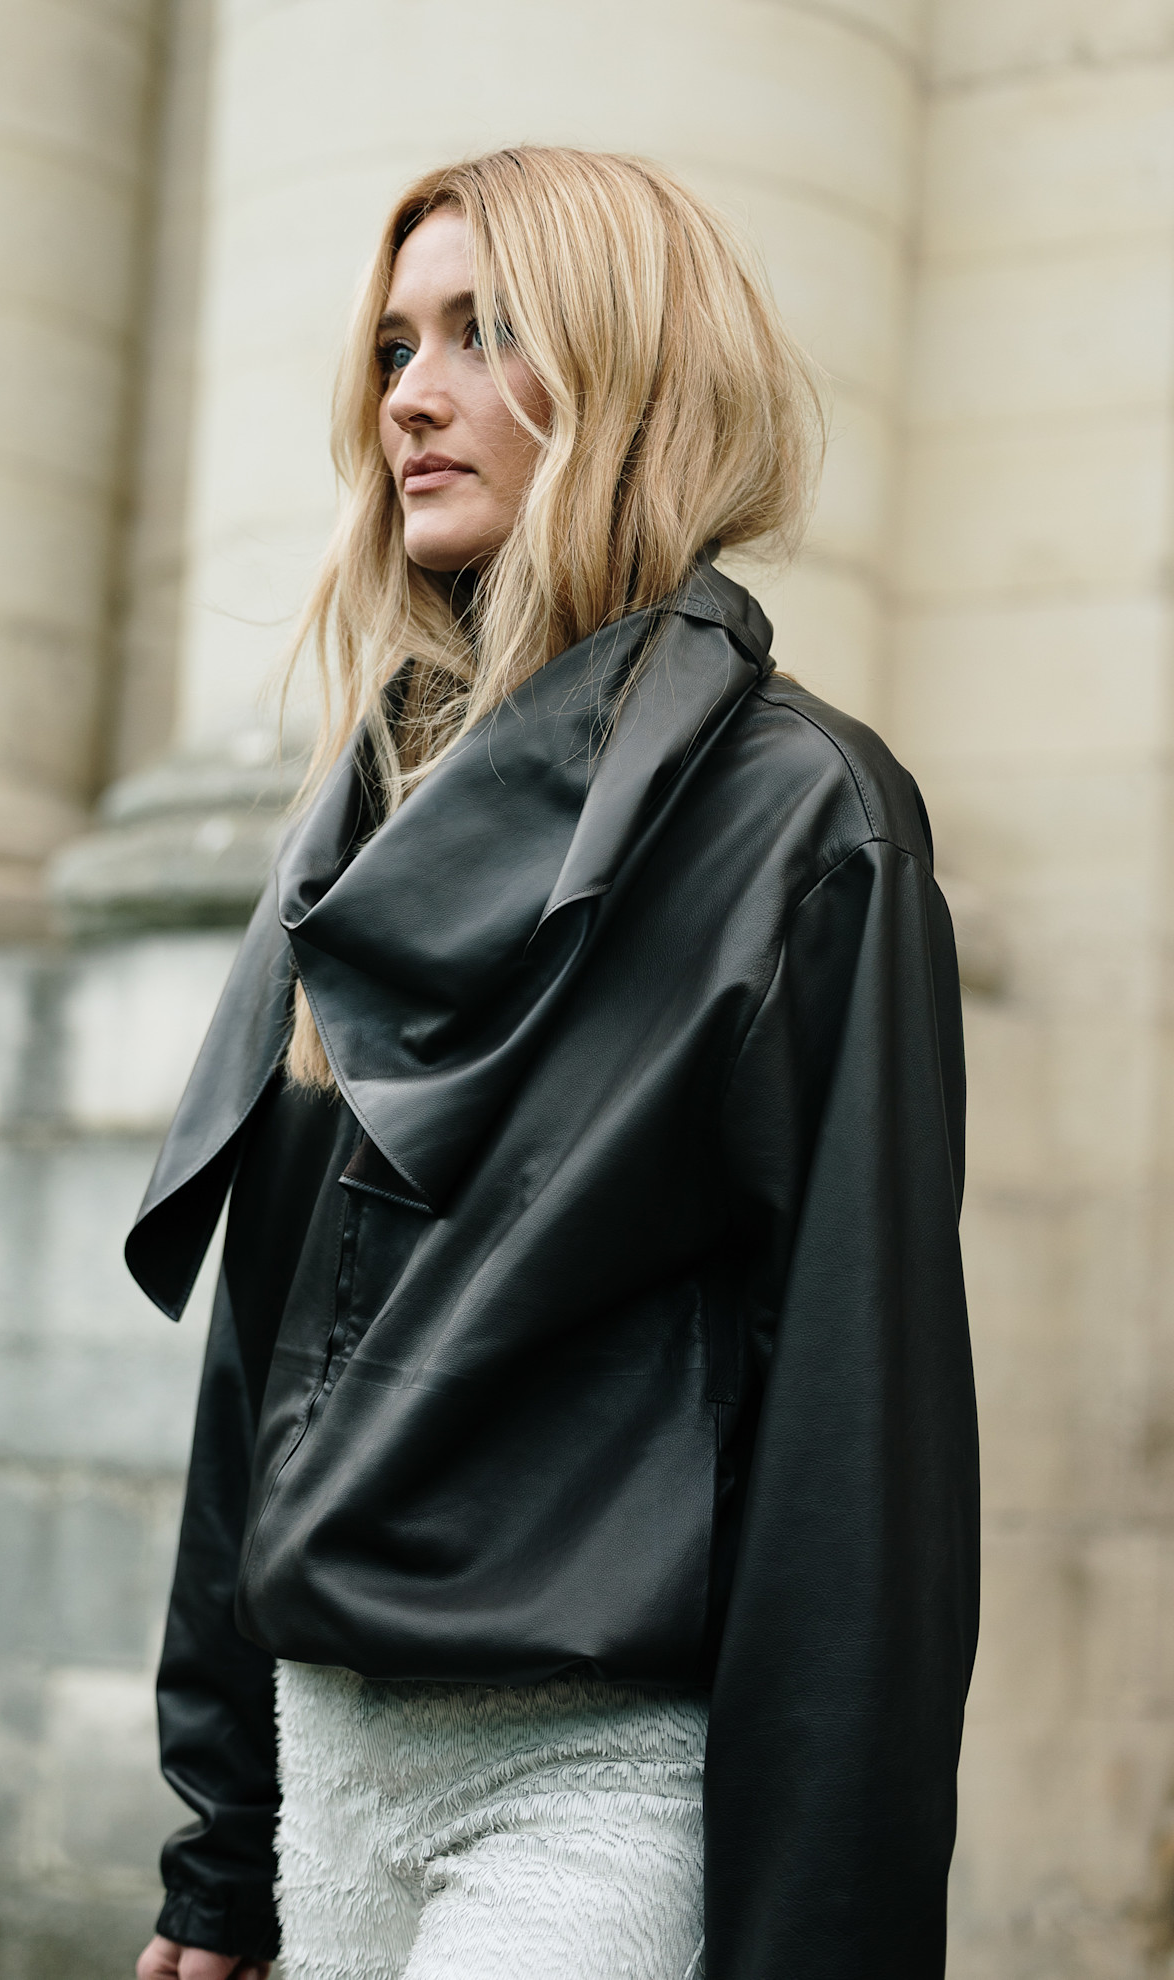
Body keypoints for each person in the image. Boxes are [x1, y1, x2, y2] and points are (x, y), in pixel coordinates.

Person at [130, 147, 978, 1980]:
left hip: (597, 1788)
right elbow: (261, 1358)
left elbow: (860, 1436)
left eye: (485, 333)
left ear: (629, 381)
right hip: (328, 1764)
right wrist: (222, 1851)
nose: (411, 396)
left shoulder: (807, 823)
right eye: (391, 345)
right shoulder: (361, 812)